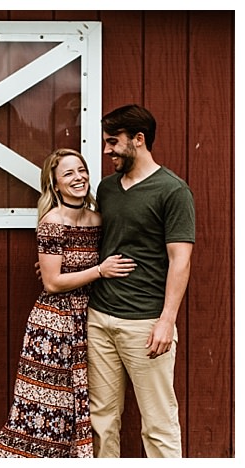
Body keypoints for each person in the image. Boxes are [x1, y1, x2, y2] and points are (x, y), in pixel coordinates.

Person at [0, 148, 136, 458]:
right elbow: (52, 282)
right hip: (53, 325)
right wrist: (99, 270)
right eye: (68, 173)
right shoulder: (53, 221)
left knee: (79, 402)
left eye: (81, 170)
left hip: (88, 318)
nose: (78, 177)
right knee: (47, 405)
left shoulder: (97, 219)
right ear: (54, 184)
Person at [87, 104, 195, 458]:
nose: (107, 151)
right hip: (100, 319)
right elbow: (101, 243)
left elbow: (181, 259)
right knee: (101, 419)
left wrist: (167, 321)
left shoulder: (172, 190)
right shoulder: (107, 189)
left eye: (112, 142)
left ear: (138, 139)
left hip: (146, 325)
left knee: (158, 422)